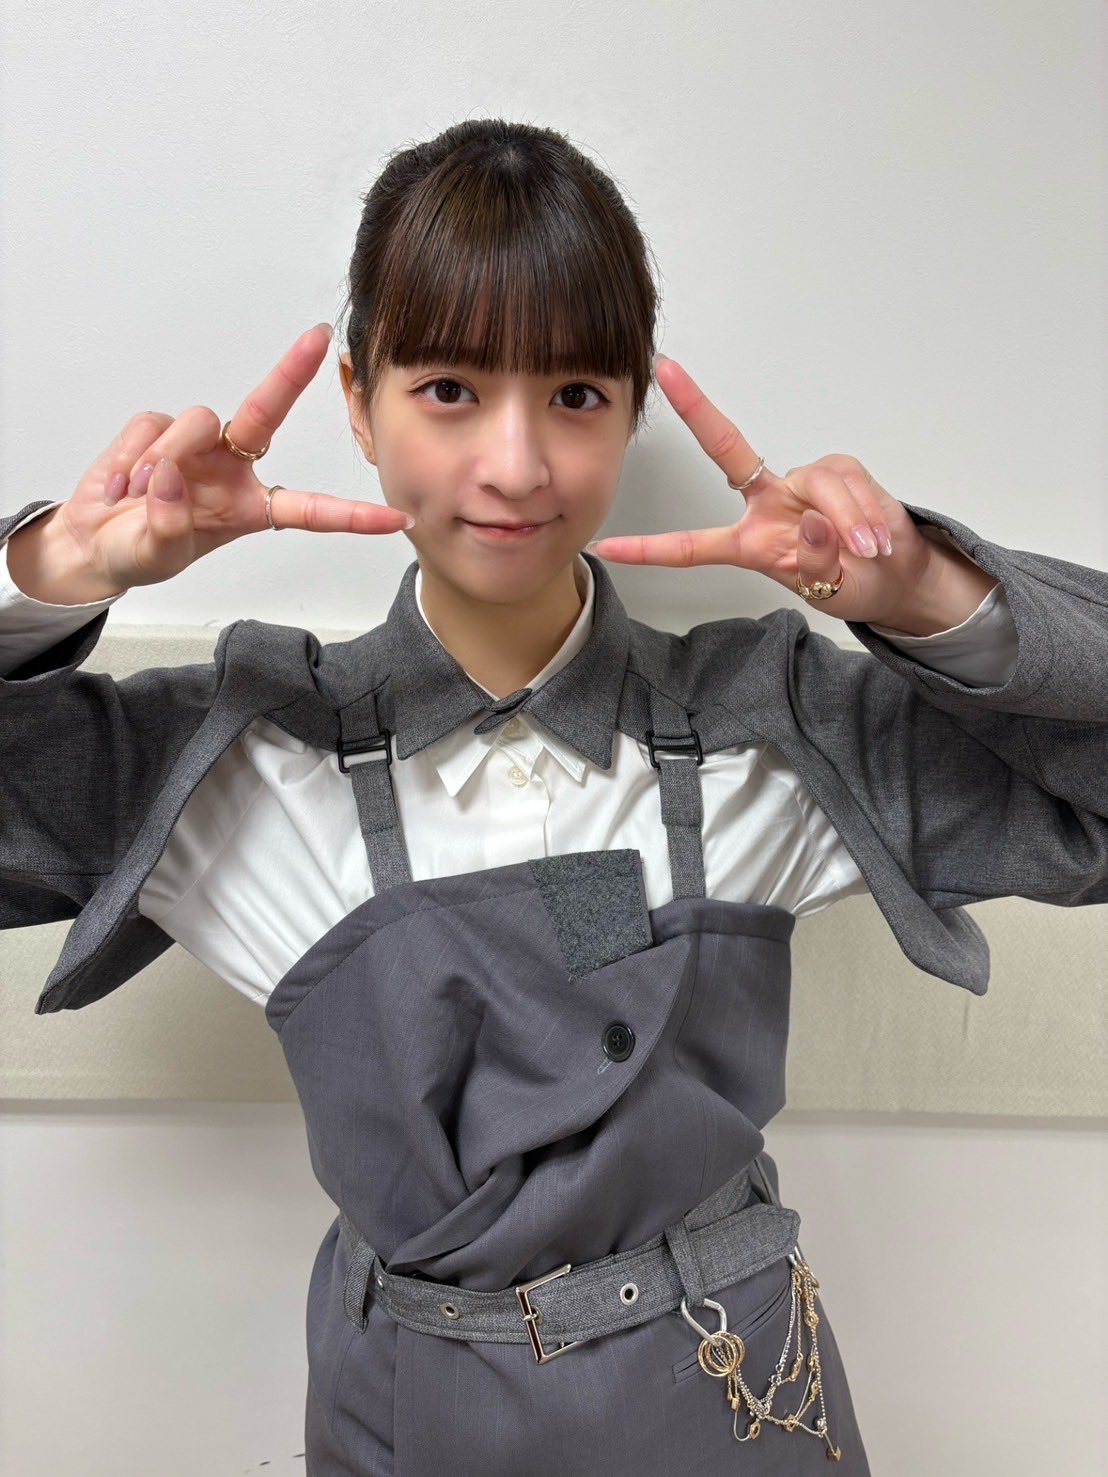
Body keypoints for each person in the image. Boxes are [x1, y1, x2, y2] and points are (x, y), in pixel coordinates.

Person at [1, 118, 1104, 1476]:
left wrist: (924, 590)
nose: (517, 465)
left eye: (576, 393)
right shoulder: (240, 753)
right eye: (450, 389)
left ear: (633, 408)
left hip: (739, 1402)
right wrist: (50, 574)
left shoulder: (773, 719)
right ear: (359, 401)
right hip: (406, 1420)